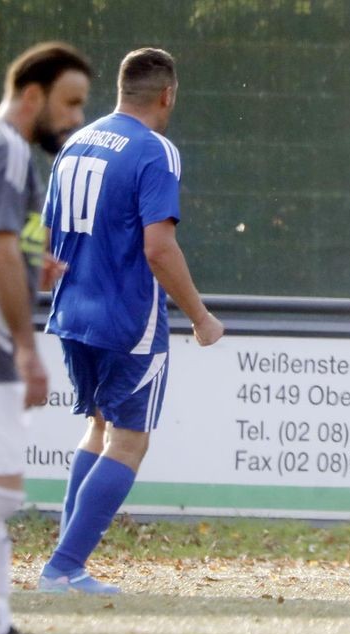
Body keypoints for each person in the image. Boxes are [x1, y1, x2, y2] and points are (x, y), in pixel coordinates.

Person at [38, 47, 225, 594]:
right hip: (127, 319)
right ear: (168, 94)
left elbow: (44, 236)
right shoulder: (155, 150)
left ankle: (63, 564)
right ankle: (65, 567)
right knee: (130, 440)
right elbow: (159, 249)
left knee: (98, 427)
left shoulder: (77, 142)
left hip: (73, 311)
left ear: (121, 90)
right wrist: (201, 316)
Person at [0, 41, 89, 634]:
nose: (73, 120)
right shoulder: (7, 150)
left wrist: (34, 263)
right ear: (33, 95)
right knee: (3, 492)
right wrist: (24, 349)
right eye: (69, 104)